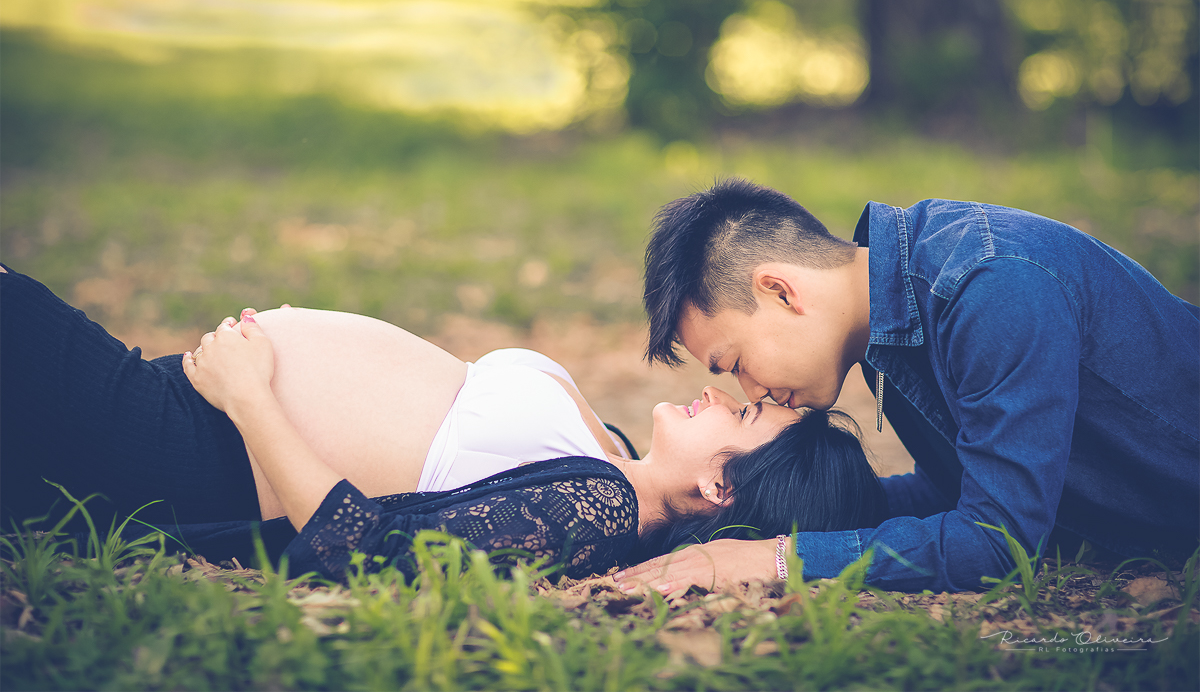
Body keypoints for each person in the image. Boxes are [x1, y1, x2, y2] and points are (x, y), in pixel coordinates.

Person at [0, 264, 886, 580]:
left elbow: (373, 548)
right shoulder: (608, 465)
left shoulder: (599, 512)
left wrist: (249, 396)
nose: (726, 395)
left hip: (188, 446)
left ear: (720, 485)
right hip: (189, 412)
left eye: (747, 417)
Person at [616, 178, 1199, 595]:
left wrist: (777, 558)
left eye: (736, 360)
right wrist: (758, 517)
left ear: (782, 292)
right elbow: (958, 484)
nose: (752, 392)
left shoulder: (989, 288)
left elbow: (997, 542)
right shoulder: (884, 325)